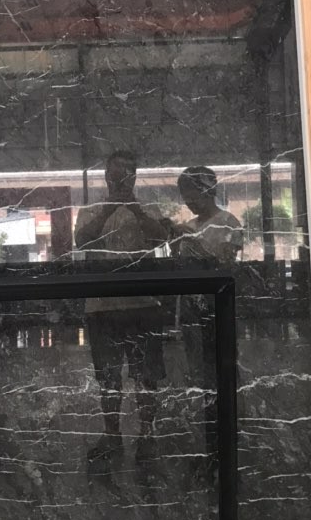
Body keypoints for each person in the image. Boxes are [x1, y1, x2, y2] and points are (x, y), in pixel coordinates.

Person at [75, 150, 170, 461]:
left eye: (129, 171)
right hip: (102, 305)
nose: (123, 177)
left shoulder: (148, 209)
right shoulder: (90, 210)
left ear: (135, 176)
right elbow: (82, 241)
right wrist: (108, 210)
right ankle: (113, 433)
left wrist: (137, 211)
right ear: (106, 175)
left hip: (142, 302)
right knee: (108, 376)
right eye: (118, 171)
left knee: (147, 375)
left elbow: (161, 239)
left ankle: (147, 433)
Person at [172, 166, 242, 469]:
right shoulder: (189, 225)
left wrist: (193, 241)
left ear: (208, 190)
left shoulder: (228, 222)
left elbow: (224, 264)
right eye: (184, 195)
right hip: (191, 309)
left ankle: (222, 445)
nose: (188, 201)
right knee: (198, 377)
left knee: (218, 374)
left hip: (216, 309)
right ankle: (206, 443)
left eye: (191, 194)